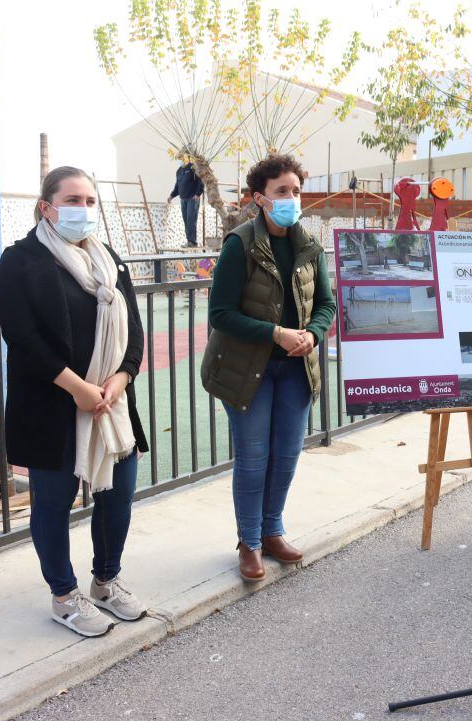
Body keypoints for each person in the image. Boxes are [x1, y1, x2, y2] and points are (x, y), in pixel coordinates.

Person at [0, 166, 149, 637]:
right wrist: (76, 387)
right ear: (47, 207)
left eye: (89, 201)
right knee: (53, 502)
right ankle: (64, 595)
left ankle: (106, 580)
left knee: (118, 494)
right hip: (52, 404)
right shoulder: (21, 261)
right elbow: (22, 338)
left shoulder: (110, 260)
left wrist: (121, 377)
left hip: (111, 404)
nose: (84, 210)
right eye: (73, 200)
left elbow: (134, 332)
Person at [202, 153, 337, 581]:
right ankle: (250, 542)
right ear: (260, 199)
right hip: (249, 370)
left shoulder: (309, 245)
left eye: (296, 191)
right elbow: (220, 313)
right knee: (254, 456)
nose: (292, 198)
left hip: (297, 369)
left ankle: (273, 529)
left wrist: (312, 334)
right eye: (282, 192)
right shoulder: (240, 244)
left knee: (286, 455)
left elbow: (326, 304)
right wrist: (276, 334)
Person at [168, 159, 205, 247]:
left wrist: (198, 194)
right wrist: (171, 196)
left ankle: (192, 241)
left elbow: (201, 181)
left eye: (182, 157)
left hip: (192, 198)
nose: (180, 160)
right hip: (183, 198)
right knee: (186, 220)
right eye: (179, 158)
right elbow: (177, 185)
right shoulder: (179, 170)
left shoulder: (193, 167)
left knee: (191, 219)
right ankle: (189, 241)